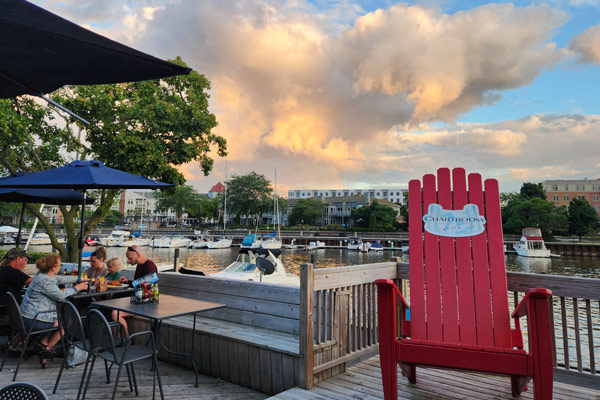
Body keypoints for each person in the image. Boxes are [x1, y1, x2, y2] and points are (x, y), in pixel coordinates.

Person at [20, 254, 88, 368]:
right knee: (66, 323)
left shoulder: (42, 275)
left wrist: (79, 279)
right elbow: (60, 296)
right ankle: (46, 349)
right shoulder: (46, 281)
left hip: (26, 315)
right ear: (53, 267)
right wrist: (77, 288)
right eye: (59, 265)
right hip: (33, 319)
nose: (60, 267)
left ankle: (43, 344)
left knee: (57, 319)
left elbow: (60, 278)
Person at [115, 246, 157, 336]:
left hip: (147, 303)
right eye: (127, 258)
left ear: (138, 255)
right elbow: (139, 283)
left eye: (130, 258)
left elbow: (149, 286)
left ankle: (126, 341)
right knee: (112, 306)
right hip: (138, 300)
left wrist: (132, 284)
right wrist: (128, 282)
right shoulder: (140, 265)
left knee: (115, 313)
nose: (128, 261)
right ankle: (117, 338)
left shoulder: (150, 265)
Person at [0, 248, 33, 333]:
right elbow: (34, 282)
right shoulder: (11, 271)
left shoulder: (3, 269)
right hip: (6, 312)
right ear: (18, 259)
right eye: (25, 260)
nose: (26, 263)